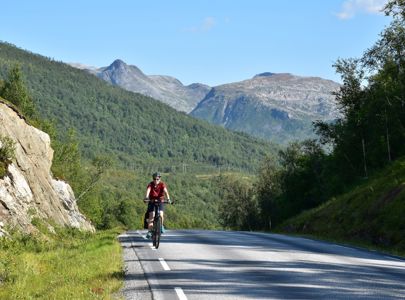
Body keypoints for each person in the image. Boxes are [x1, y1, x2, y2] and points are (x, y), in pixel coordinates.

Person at [144, 172, 171, 239]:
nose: (156, 180)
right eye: (154, 179)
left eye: (157, 179)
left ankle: (161, 226)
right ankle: (150, 231)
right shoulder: (151, 184)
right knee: (151, 215)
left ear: (160, 179)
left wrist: (168, 199)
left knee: (161, 214)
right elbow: (148, 190)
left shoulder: (162, 184)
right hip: (152, 201)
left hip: (160, 201)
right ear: (153, 179)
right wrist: (146, 197)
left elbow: (166, 191)